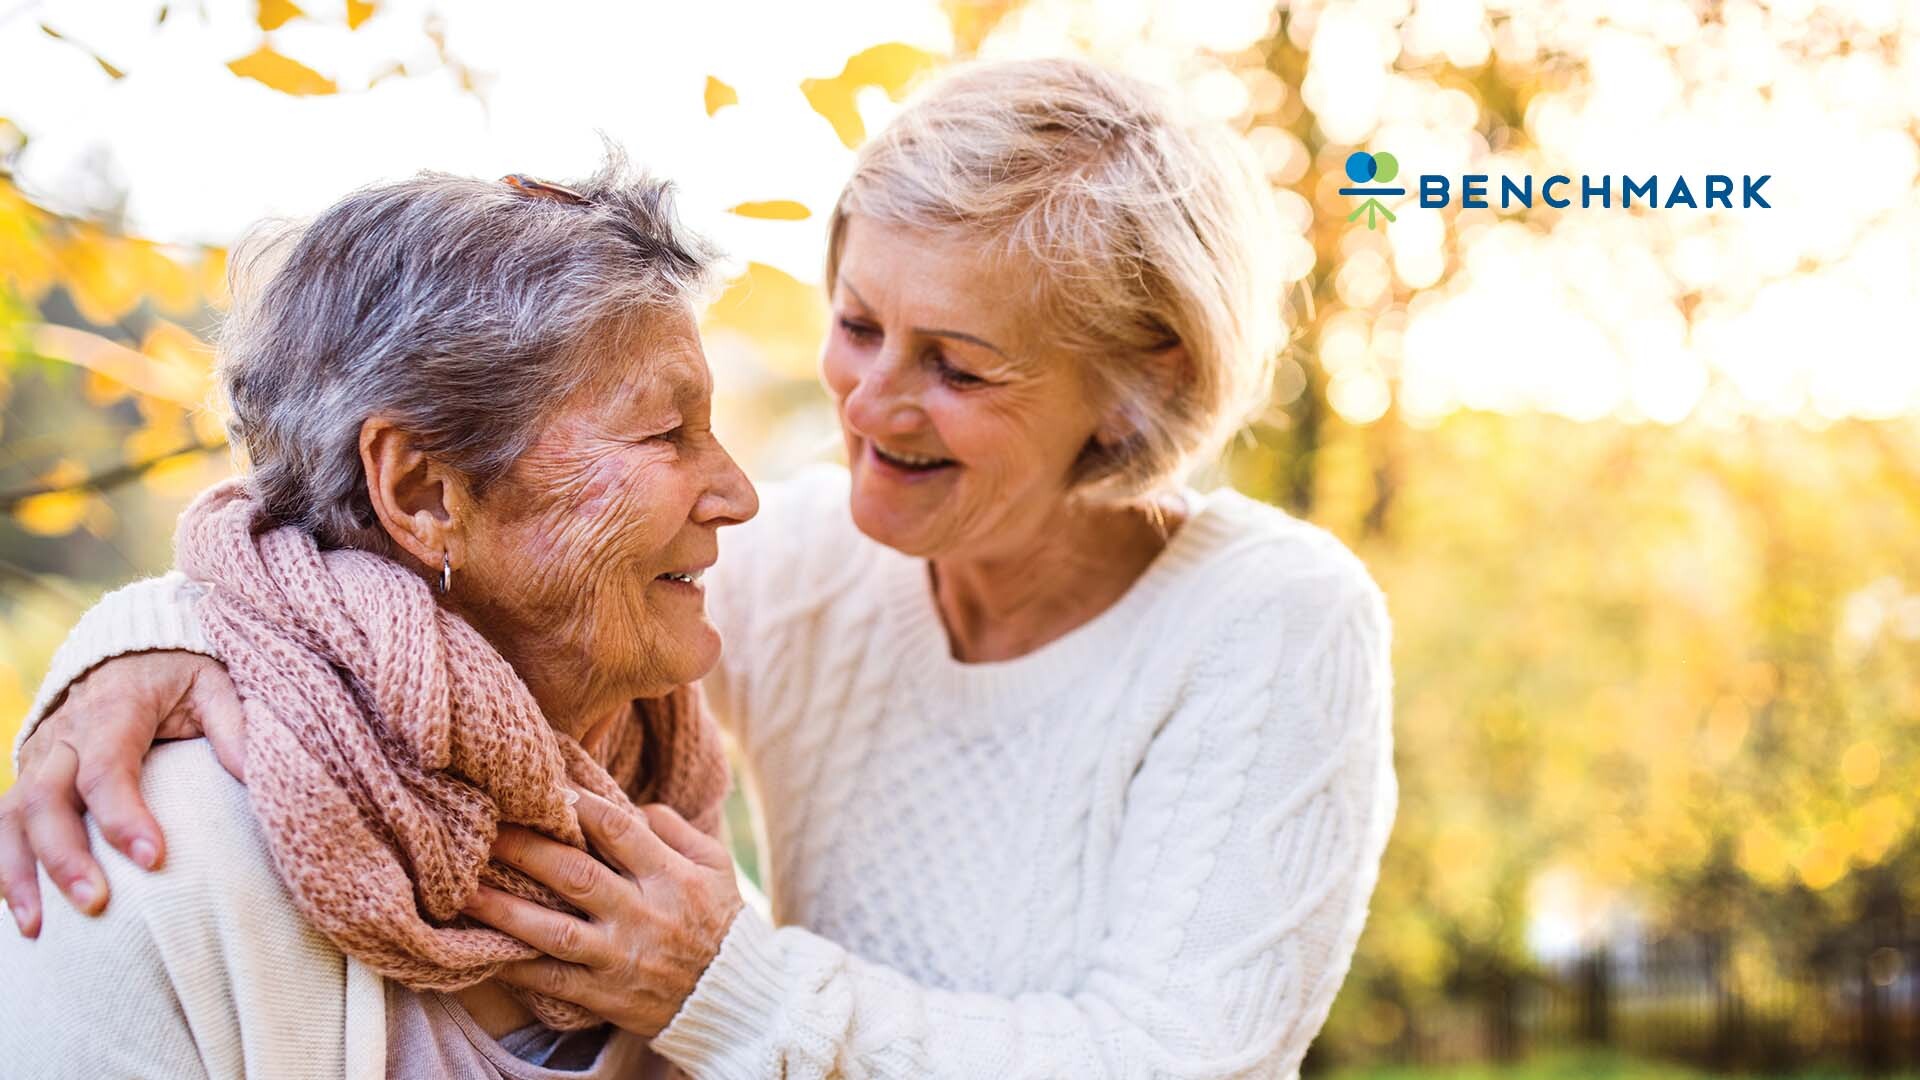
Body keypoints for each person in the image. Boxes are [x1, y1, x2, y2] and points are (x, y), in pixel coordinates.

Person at [3, 58, 1397, 1078]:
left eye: (958, 366)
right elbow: (428, 551)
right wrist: (144, 640)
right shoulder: (807, 559)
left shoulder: (1273, 621)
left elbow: (1178, 1060)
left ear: (1137, 384)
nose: (869, 405)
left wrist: (731, 988)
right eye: (856, 325)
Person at [0, 156, 758, 1078]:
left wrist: (736, 997)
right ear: (424, 490)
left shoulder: (660, 814)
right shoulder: (145, 862)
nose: (738, 495)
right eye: (665, 435)